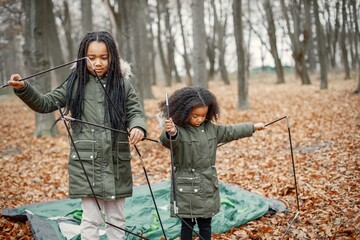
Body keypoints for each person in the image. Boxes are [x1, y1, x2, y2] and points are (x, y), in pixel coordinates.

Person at [7, 31, 147, 240]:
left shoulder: (122, 84)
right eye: (91, 58)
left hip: (116, 163)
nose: (97, 63)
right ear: (83, 57)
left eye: (103, 57)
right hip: (86, 163)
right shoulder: (75, 84)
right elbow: (46, 103)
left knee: (117, 219)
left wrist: (138, 127)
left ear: (113, 58)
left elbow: (135, 111)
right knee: (90, 219)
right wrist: (24, 88)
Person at [158, 87, 265, 240]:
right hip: (186, 186)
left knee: (206, 224)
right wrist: (172, 132)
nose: (200, 119)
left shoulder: (210, 129)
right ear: (183, 112)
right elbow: (167, 140)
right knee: (187, 225)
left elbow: (231, 131)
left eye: (203, 115)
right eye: (195, 115)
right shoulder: (178, 130)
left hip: (208, 184)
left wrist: (252, 127)